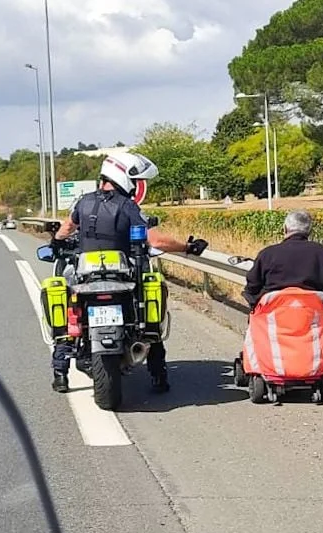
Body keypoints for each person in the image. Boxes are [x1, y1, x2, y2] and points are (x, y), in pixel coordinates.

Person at [48, 152, 208, 394]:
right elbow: (155, 239)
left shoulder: (83, 202)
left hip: (85, 278)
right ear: (123, 176)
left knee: (70, 317)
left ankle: (61, 374)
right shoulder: (127, 206)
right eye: (134, 181)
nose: (135, 187)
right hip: (122, 277)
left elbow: (67, 228)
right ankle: (158, 375)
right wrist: (188, 247)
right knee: (145, 316)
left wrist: (56, 242)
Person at [241, 209, 323, 310]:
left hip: (272, 316)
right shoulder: (320, 252)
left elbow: (252, 285)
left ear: (284, 229)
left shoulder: (268, 254)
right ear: (309, 231)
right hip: (310, 315)